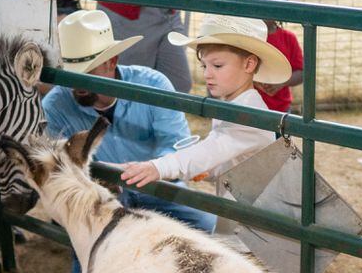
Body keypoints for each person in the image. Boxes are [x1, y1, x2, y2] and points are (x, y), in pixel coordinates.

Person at [45, 9, 216, 273]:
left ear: (111, 61)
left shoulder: (153, 85)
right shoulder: (56, 106)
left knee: (207, 226)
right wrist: (97, 185)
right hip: (102, 202)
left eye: (87, 72)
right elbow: (60, 172)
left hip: (158, 188)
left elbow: (174, 143)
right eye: (71, 74)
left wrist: (149, 170)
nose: (77, 84)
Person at [120, 14, 292, 199]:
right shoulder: (229, 105)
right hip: (241, 204)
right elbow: (227, 159)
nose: (207, 75)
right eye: (204, 66)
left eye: (217, 65)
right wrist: (208, 170)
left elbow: (214, 147)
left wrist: (160, 167)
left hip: (257, 215)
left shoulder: (250, 114)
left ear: (249, 64)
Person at [243, 0, 304, 113]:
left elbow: (301, 72)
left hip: (280, 111)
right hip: (247, 109)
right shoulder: (241, 37)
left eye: (270, 1)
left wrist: (282, 82)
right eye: (258, 0)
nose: (264, 6)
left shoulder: (288, 38)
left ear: (281, 5)